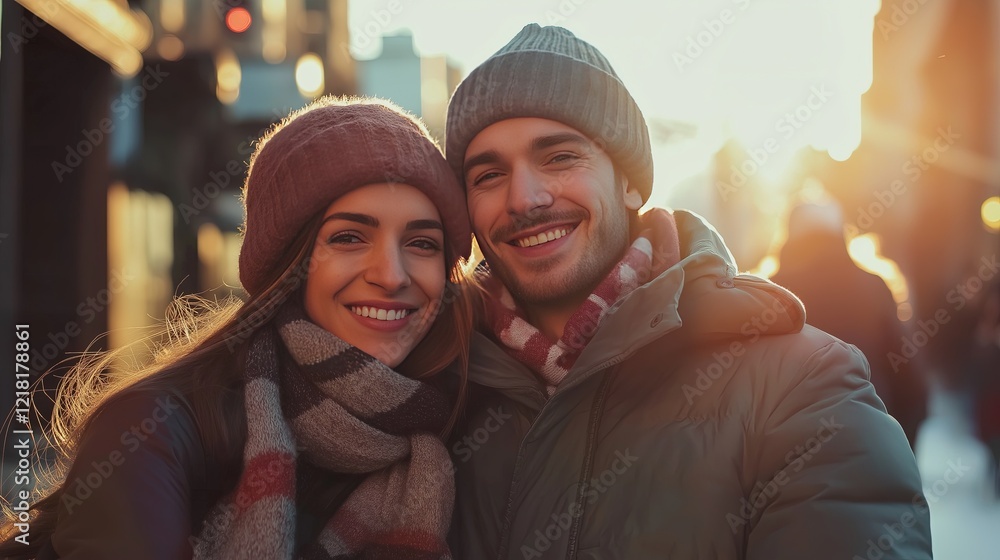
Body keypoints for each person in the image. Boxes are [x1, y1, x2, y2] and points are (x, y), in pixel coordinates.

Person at [443, 24, 932, 559]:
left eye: (559, 157)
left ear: (630, 182)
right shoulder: (436, 388)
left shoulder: (801, 392)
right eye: (488, 174)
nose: (524, 197)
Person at [0, 96, 474, 559]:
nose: (391, 275)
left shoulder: (469, 411)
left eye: (422, 243)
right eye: (348, 237)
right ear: (289, 265)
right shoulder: (151, 431)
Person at [769, 197, 928, 449]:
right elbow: (913, 386)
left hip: (790, 460)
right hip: (869, 445)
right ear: (840, 236)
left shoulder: (771, 296)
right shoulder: (873, 288)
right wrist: (899, 454)